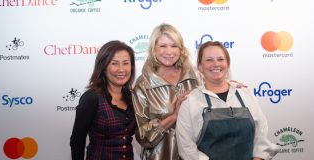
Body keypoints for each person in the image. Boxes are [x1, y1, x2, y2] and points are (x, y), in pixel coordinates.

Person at [176, 41, 279, 160]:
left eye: (220, 59)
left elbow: (261, 137)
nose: (216, 64)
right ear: (200, 66)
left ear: (228, 63)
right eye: (209, 60)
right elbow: (187, 148)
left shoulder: (245, 95)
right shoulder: (190, 102)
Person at [132, 23, 203, 160]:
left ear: (181, 49)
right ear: (154, 49)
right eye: (163, 46)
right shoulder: (144, 84)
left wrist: (230, 86)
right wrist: (174, 116)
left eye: (174, 45)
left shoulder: (196, 76)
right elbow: (142, 137)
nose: (169, 52)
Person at [70, 40, 137, 160]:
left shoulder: (133, 97)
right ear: (103, 67)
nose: (121, 69)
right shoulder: (91, 98)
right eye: (114, 63)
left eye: (126, 63)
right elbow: (77, 141)